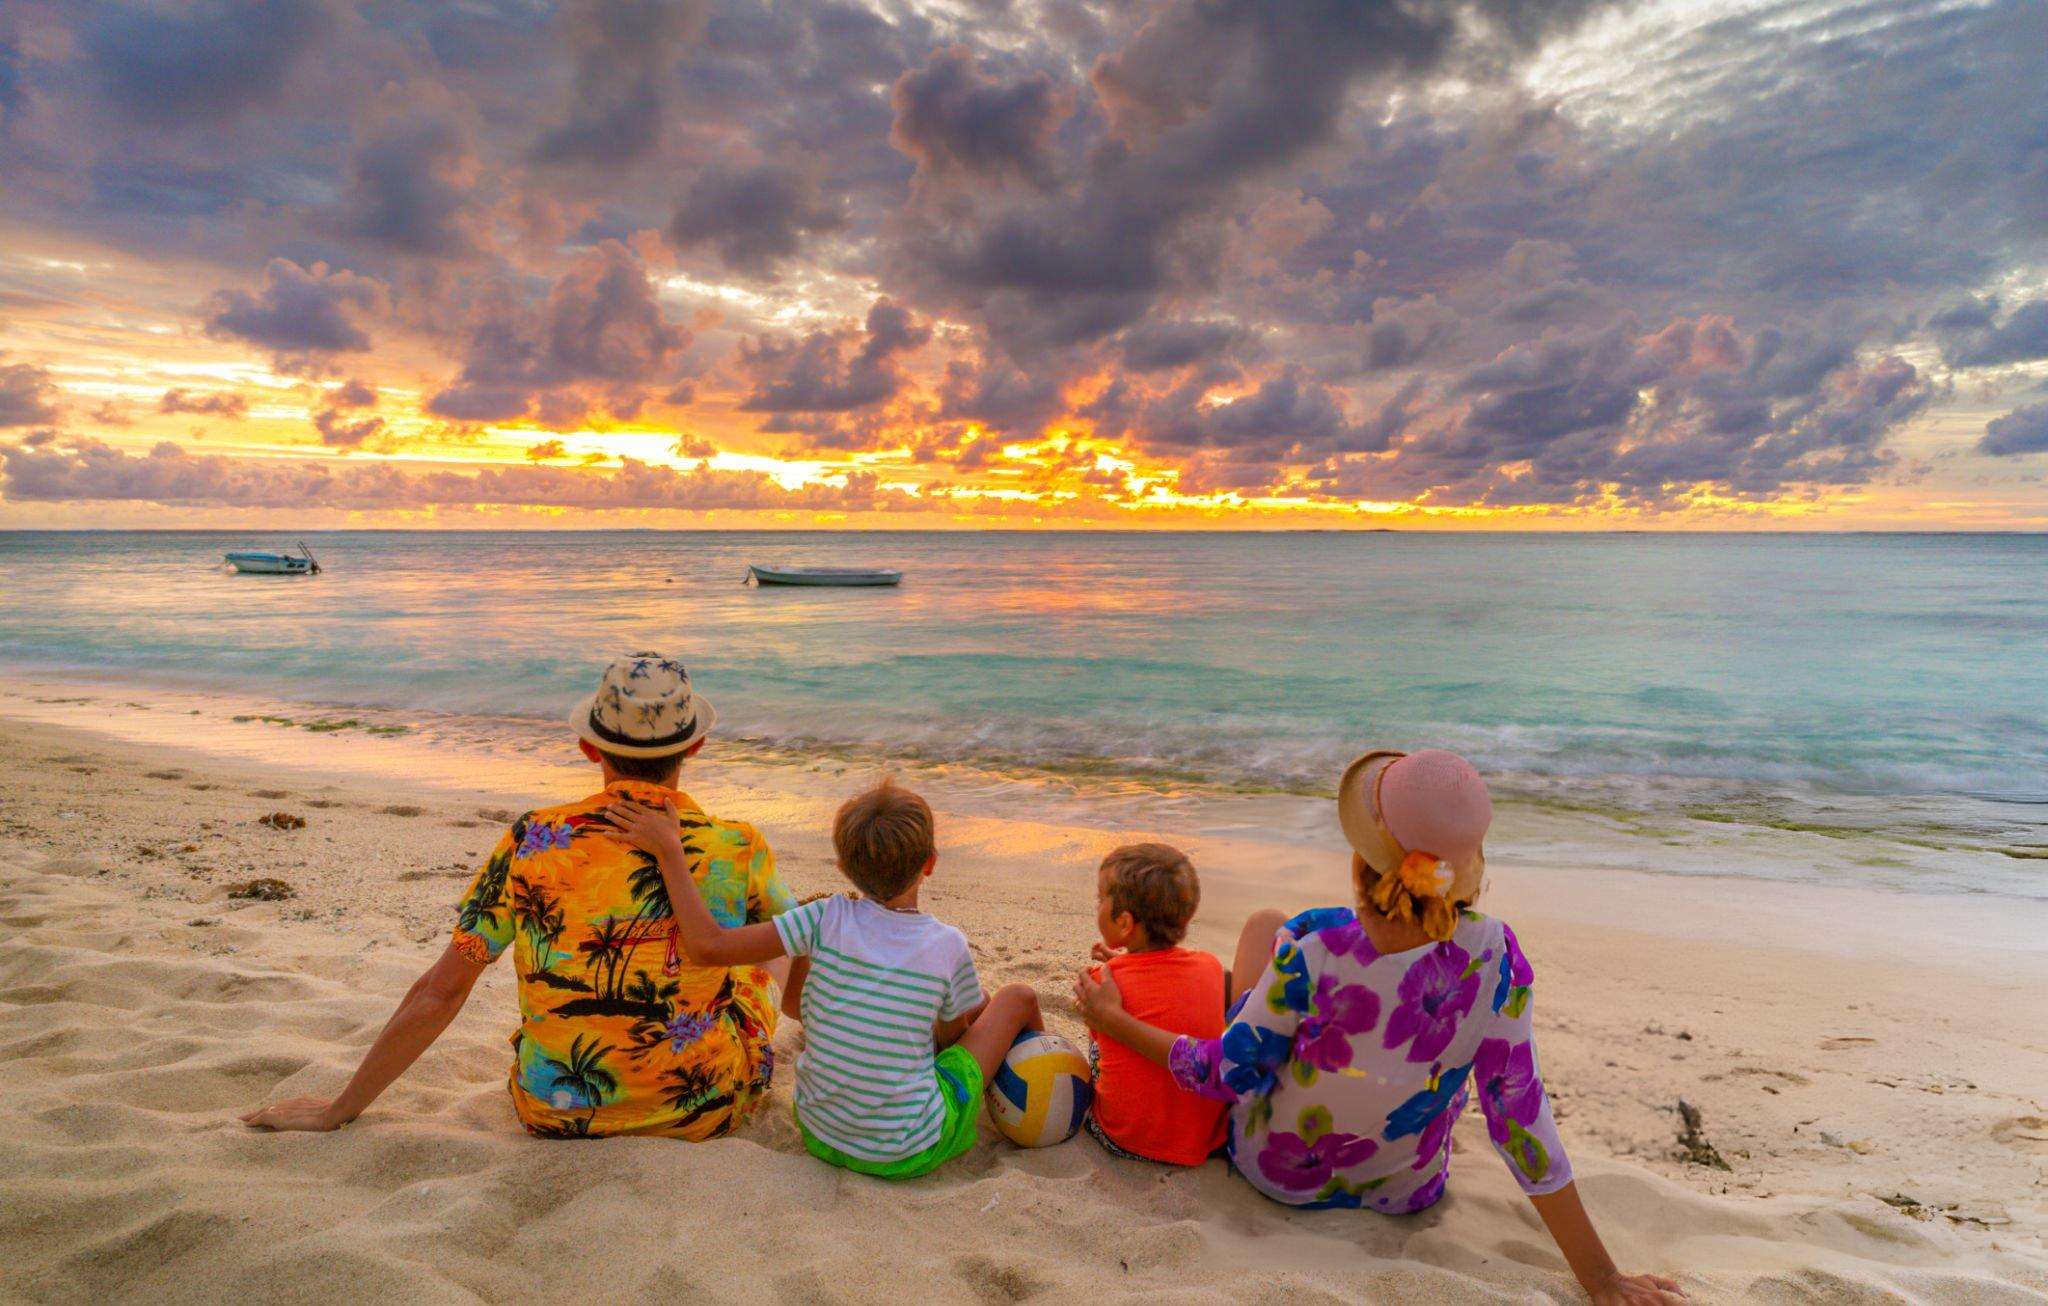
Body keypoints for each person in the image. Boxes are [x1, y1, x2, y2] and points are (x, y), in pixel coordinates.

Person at [1074, 749, 1685, 1306]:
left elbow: (1223, 1074)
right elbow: (1518, 1119)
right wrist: (1601, 1277)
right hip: (1407, 1187)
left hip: (1278, 1173)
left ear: (1362, 858)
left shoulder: (1314, 943)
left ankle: (1162, 975)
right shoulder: (1500, 958)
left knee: (1264, 925)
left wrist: (1114, 1020)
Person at [242, 652, 804, 1140]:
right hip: (703, 1114)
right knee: (768, 950)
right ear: (697, 746)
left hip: (553, 1110)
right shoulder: (737, 847)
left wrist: (339, 1109)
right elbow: (806, 960)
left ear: (588, 747)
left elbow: (442, 989)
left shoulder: (533, 839)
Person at [599, 777, 1042, 1179]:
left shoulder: (821, 916)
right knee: (1016, 997)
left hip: (820, 1132)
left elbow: (708, 947)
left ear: (842, 867)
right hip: (907, 1149)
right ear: (929, 864)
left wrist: (670, 852)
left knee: (944, 1000)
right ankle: (1044, 1082)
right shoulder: (947, 944)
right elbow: (947, 1045)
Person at [1081, 842, 1228, 1165]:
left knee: (1096, 1047)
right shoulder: (1211, 967)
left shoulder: (1102, 981)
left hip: (1125, 1139)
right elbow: (1160, 984)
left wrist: (1115, 970)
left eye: (1100, 898)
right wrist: (1126, 964)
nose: (1097, 904)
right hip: (1203, 1140)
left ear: (1124, 923)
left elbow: (1100, 1031)